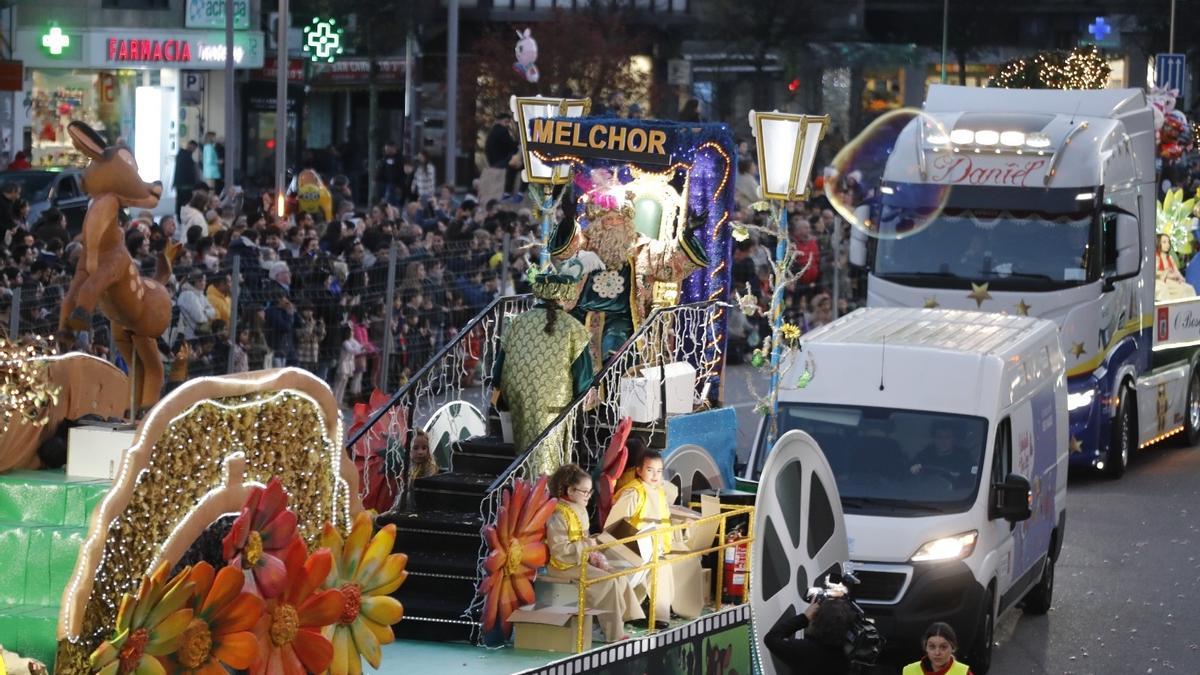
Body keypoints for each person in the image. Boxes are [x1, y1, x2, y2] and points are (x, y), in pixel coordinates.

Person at [493, 264, 593, 473]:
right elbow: (583, 376)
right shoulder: (573, 328)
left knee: (525, 452)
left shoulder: (518, 322)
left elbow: (500, 365)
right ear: (564, 296)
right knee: (550, 457)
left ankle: (526, 494)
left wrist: (500, 394)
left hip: (519, 399)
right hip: (555, 404)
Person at [545, 463, 643, 642]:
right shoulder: (558, 515)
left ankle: (619, 620)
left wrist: (595, 542)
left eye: (590, 492)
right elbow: (560, 552)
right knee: (607, 582)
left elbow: (583, 539)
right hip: (563, 566)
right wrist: (587, 544)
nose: (588, 496)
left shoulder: (579, 509)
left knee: (619, 576)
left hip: (579, 561)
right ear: (570, 490)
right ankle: (613, 634)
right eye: (584, 492)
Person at [604, 450, 687, 627]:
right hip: (634, 550)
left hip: (655, 549)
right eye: (650, 470)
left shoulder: (659, 491)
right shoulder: (634, 493)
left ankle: (661, 615)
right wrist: (637, 546)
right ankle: (653, 616)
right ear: (639, 471)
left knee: (669, 566)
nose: (656, 475)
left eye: (659, 471)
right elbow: (614, 526)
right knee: (659, 568)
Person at [763, 597, 856, 674]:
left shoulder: (804, 650)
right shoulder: (843, 662)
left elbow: (771, 638)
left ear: (818, 620)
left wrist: (804, 617)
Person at [904, 622, 973, 675]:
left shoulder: (964, 673)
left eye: (943, 647)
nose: (937, 653)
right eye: (932, 647)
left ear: (953, 648)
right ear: (925, 647)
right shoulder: (909, 671)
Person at [400, 430, 439, 511]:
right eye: (415, 448)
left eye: (424, 448)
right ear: (408, 449)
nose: (420, 452)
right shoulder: (405, 466)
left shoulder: (430, 468)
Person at [174, 141, 199, 217]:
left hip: (181, 184)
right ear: (189, 145)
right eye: (193, 147)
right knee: (184, 202)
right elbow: (188, 172)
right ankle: (182, 216)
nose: (193, 149)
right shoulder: (186, 156)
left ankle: (180, 216)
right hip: (185, 185)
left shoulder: (182, 155)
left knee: (180, 201)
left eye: (194, 148)